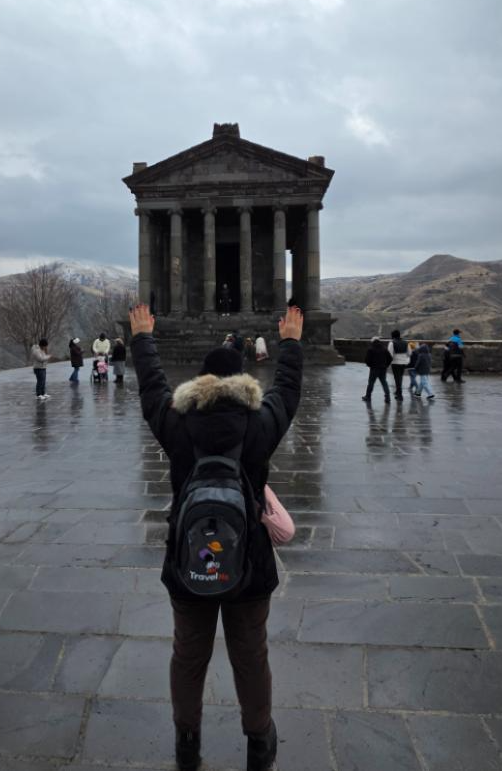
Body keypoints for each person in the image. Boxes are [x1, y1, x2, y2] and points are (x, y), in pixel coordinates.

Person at [129, 302, 304, 771]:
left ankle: (187, 739)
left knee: (188, 656)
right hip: (249, 564)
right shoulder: (260, 423)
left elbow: (151, 390)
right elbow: (287, 391)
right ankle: (259, 742)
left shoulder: (178, 423)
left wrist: (144, 337)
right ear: (242, 382)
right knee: (251, 657)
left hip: (189, 565)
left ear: (200, 383)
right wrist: (291, 341)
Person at [363, 336, 392, 403]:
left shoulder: (371, 349)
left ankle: (368, 397)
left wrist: (370, 365)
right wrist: (386, 365)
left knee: (371, 383)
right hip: (383, 369)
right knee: (384, 383)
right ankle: (387, 398)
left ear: (372, 342)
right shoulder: (384, 349)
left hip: (374, 369)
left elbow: (367, 360)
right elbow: (390, 358)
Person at [388, 329, 409, 403]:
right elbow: (409, 352)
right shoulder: (406, 342)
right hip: (403, 363)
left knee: (397, 379)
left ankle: (400, 395)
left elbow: (389, 354)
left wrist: (388, 363)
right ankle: (397, 392)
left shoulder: (392, 343)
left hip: (395, 363)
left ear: (393, 336)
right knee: (400, 377)